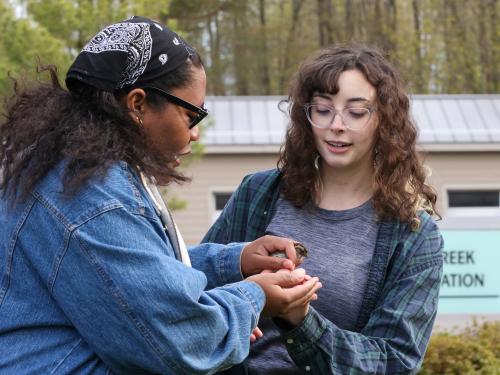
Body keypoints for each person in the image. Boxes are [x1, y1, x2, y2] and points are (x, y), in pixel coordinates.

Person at [0, 16, 321, 374]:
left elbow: (128, 273)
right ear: (137, 104)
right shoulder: (93, 194)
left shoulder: (70, 167)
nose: (195, 134)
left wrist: (236, 262)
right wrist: (256, 297)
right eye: (191, 115)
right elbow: (179, 343)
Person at [203, 45, 444, 374]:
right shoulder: (258, 193)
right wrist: (245, 286)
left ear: (385, 121)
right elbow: (195, 287)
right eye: (322, 109)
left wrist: (301, 320)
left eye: (356, 113)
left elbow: (394, 362)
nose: (337, 125)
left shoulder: (414, 235)